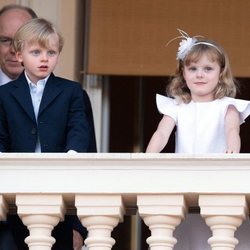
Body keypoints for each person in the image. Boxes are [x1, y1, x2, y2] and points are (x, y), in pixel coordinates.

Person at [0, 17, 93, 249]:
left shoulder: (72, 91)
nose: (44, 58)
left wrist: (71, 156)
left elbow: (79, 131)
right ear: (19, 55)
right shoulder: (3, 94)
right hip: (17, 188)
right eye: (36, 52)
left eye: (51, 52)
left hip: (60, 184)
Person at [146, 29, 250, 153]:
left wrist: (232, 153)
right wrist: (148, 156)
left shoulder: (228, 106)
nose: (199, 75)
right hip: (185, 171)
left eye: (208, 69)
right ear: (183, 73)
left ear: (221, 73)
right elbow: (161, 134)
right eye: (193, 69)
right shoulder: (176, 106)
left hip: (217, 170)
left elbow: (232, 131)